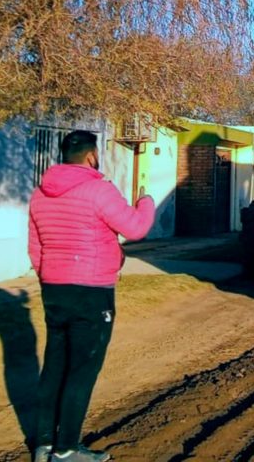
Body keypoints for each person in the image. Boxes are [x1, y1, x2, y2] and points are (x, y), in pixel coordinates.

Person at [28, 130, 155, 462]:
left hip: (54, 289)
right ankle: (67, 449)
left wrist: (48, 276)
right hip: (92, 292)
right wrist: (146, 202)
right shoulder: (99, 190)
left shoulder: (40, 194)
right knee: (82, 370)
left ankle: (43, 444)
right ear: (90, 156)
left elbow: (36, 245)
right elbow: (136, 227)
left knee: (54, 366)